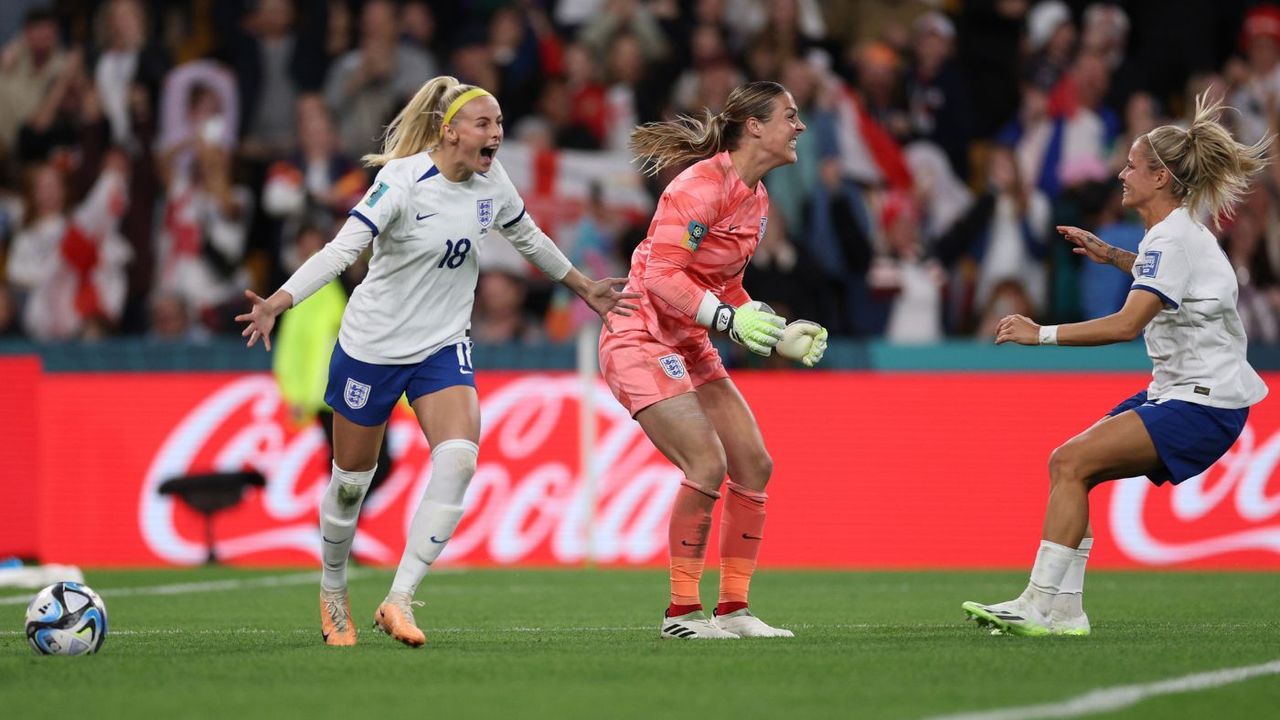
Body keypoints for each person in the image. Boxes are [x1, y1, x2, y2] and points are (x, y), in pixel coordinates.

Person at [236, 76, 638, 648]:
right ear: (449, 132)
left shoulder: (491, 181)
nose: (496, 134)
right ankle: (332, 592)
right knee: (350, 484)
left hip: (442, 345)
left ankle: (398, 599)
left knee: (459, 460)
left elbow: (528, 237)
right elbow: (342, 249)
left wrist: (582, 286)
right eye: (485, 124)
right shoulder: (401, 182)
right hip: (372, 347)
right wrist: (279, 300)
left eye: (499, 124)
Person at [961, 94, 1273, 637]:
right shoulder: (1174, 236)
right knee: (1075, 469)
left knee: (1069, 463)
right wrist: (1113, 257)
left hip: (1201, 402)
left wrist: (1042, 335)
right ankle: (1064, 612)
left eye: (1132, 165)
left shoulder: (1171, 238)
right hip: (1187, 395)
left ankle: (1040, 603)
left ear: (1162, 178)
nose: (1121, 173)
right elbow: (1170, 281)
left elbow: (1127, 325)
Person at [598, 80, 829, 640]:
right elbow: (658, 276)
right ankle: (681, 615)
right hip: (641, 335)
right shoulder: (700, 186)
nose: (799, 126)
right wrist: (729, 322)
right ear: (754, 126)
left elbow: (727, 287)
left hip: (689, 340)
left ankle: (735, 610)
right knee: (707, 465)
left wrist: (773, 333)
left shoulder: (757, 199)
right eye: (790, 116)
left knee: (755, 465)